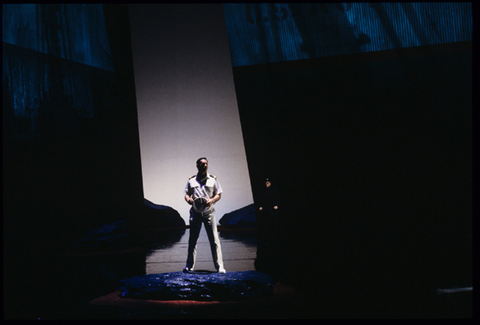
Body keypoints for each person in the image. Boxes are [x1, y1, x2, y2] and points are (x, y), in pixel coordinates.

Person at [183, 157, 226, 273]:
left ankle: (219, 266)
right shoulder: (191, 180)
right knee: (193, 240)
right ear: (197, 165)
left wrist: (212, 200)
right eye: (202, 164)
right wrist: (189, 200)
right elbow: (186, 194)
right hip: (195, 212)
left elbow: (219, 194)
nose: (204, 166)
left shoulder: (213, 179)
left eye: (206, 164)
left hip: (208, 212)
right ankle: (189, 265)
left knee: (214, 239)